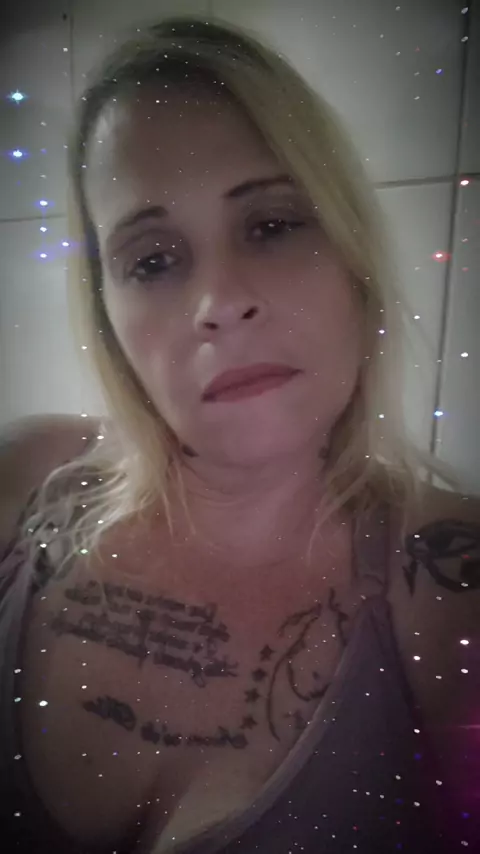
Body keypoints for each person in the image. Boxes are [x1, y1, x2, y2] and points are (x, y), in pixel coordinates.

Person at [0, 14, 479, 854]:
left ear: (352, 261)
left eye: (271, 225)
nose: (219, 302)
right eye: (152, 260)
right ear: (109, 317)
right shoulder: (23, 475)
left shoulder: (450, 586)